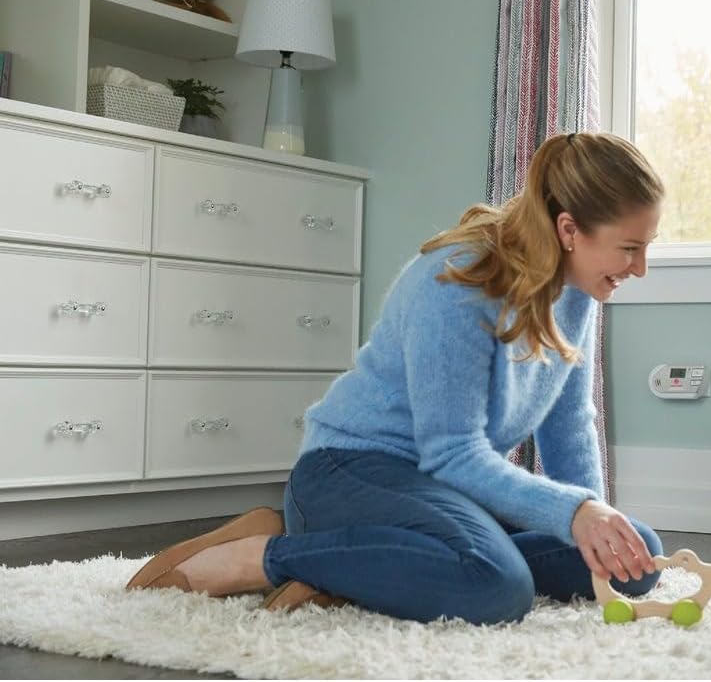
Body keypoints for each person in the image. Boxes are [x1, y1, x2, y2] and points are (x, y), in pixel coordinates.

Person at [126, 132, 666, 624]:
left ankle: (381, 568)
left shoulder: (576, 290)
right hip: (351, 470)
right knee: (498, 586)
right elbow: (453, 453)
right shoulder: (458, 282)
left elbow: (569, 425)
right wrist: (572, 513)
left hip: (442, 491)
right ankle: (268, 554)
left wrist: (595, 526)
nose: (639, 268)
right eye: (629, 248)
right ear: (569, 230)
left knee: (638, 557)